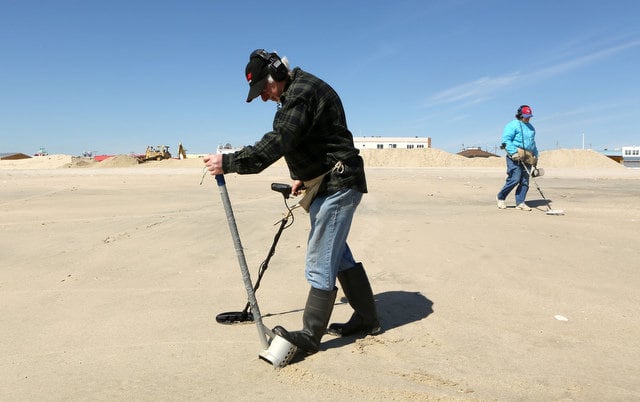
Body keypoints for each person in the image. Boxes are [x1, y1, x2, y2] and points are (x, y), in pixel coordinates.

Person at [204, 49, 380, 355]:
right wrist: (304, 175)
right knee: (338, 256)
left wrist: (229, 162)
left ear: (278, 75)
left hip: (338, 184)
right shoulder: (297, 92)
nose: (263, 97)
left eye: (264, 89)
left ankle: (311, 335)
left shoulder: (300, 94)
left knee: (319, 258)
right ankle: (367, 318)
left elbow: (279, 141)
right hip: (328, 180)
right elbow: (314, 139)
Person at [496, 105, 539, 211]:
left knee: (525, 181)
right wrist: (513, 152)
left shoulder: (531, 128)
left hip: (527, 157)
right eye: (525, 116)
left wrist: (535, 156)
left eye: (529, 116)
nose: (528, 118)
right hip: (514, 156)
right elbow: (506, 140)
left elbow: (532, 143)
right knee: (514, 178)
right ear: (520, 115)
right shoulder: (512, 125)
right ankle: (501, 197)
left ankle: (520, 202)